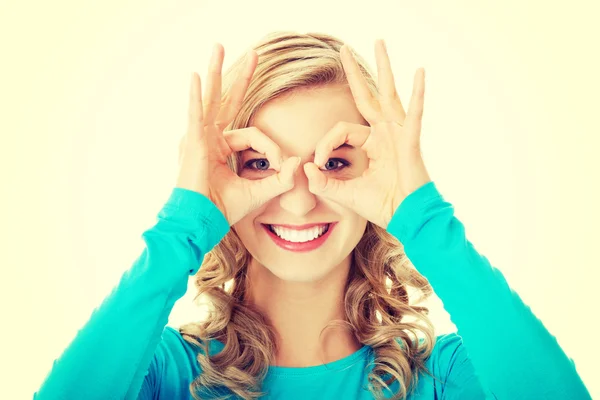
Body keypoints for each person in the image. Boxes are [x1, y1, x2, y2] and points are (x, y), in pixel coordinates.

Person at [33, 31, 591, 400]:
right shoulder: (167, 375)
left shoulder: (439, 380)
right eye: (259, 163)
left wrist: (426, 223)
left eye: (336, 162)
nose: (298, 198)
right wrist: (182, 226)